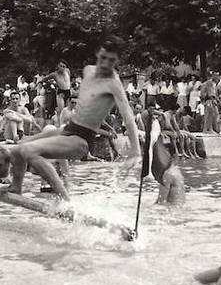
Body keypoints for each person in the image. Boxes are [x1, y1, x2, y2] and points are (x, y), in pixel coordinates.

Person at [9, 38, 141, 201]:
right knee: (17, 149)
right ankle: (15, 188)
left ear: (117, 61)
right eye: (103, 58)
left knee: (29, 151)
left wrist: (136, 152)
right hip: (68, 129)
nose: (106, 64)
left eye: (111, 60)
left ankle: (65, 199)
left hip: (82, 139)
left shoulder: (114, 84)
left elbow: (128, 117)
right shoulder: (88, 70)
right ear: (97, 54)